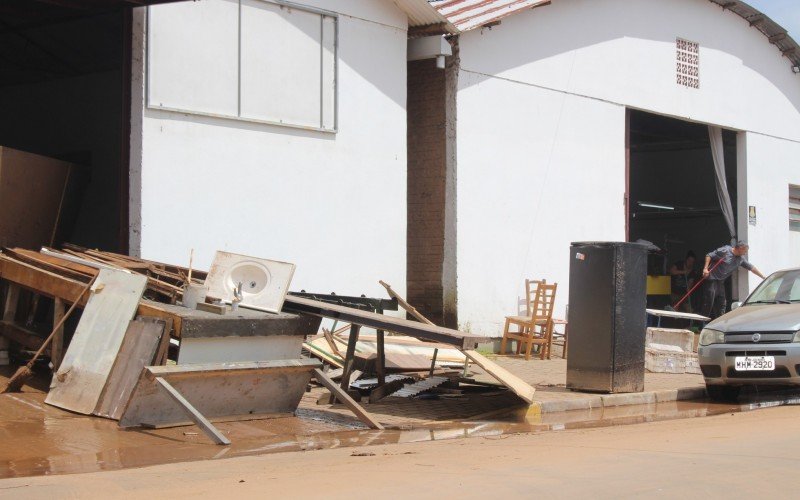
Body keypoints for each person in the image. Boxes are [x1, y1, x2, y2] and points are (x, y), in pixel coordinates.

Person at [701, 241, 765, 319]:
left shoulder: (740, 259)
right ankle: (701, 324)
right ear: (740, 248)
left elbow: (751, 268)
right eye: (745, 251)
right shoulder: (725, 251)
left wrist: (763, 277)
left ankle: (719, 321)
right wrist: (705, 269)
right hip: (712, 278)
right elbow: (709, 255)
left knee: (722, 303)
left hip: (720, 282)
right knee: (709, 300)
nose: (745, 253)